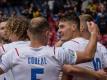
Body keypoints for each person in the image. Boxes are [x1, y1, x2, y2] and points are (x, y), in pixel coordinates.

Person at [0, 16, 99, 80]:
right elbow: (88, 55)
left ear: (28, 33)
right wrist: (94, 33)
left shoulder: (14, 53)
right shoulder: (57, 53)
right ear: (47, 33)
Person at [60, 14, 107, 80]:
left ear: (81, 27)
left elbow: (67, 70)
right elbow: (104, 74)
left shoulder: (70, 44)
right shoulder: (100, 47)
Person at [0, 16, 30, 80]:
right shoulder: (37, 46)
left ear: (14, 31)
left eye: (8, 29)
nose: (6, 31)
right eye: (2, 28)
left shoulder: (5, 48)